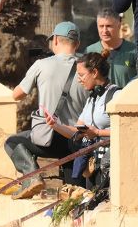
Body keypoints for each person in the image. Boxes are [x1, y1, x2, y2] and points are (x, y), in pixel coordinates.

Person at [6, 20, 88, 192]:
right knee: (74, 194)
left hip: (46, 141)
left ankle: (32, 176)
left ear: (56, 40)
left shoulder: (41, 65)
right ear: (78, 44)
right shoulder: (87, 69)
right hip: (75, 142)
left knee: (12, 142)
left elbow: (17, 95)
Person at [47, 52, 116, 189]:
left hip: (110, 166)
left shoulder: (116, 95)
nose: (79, 80)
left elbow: (127, 131)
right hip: (92, 165)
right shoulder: (92, 97)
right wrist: (55, 125)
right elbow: (78, 130)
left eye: (81, 75)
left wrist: (98, 132)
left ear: (94, 72)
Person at [84, 8, 136, 91]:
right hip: (99, 103)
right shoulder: (90, 51)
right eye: (101, 26)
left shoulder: (133, 50)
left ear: (119, 26)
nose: (104, 31)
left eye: (109, 26)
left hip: (125, 103)